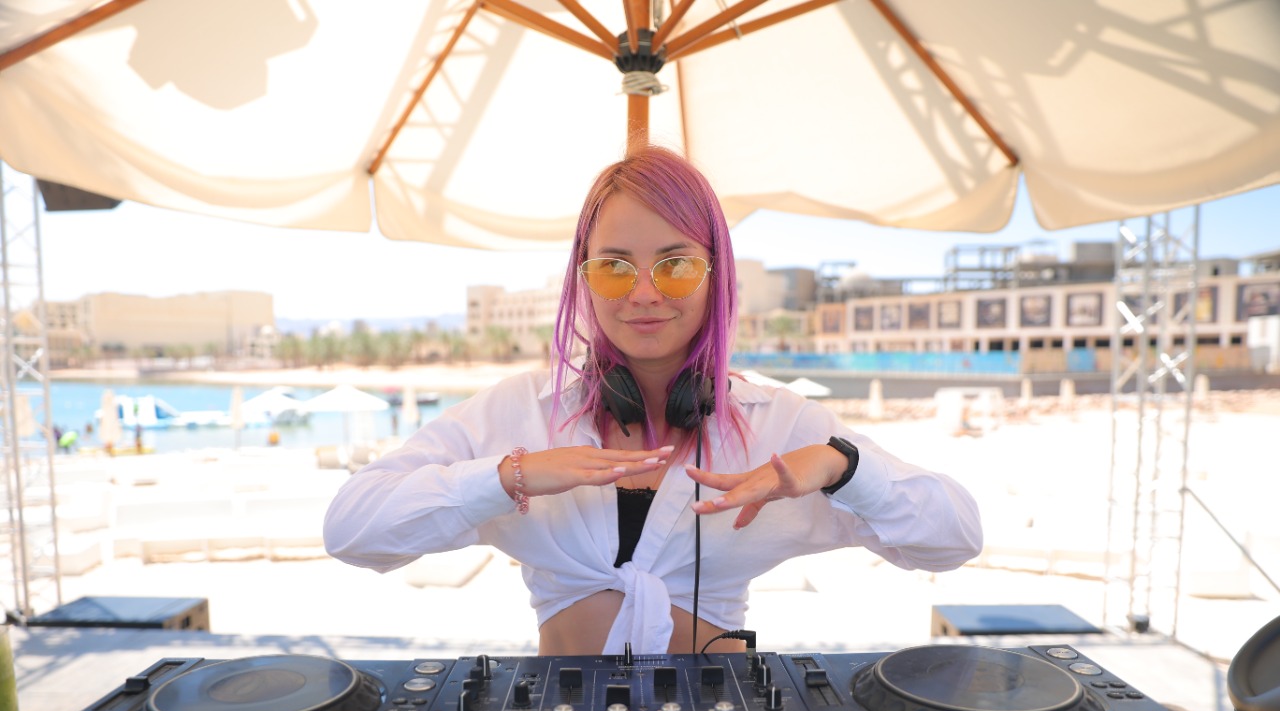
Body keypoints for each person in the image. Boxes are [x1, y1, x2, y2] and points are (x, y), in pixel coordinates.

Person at [324, 146, 982, 656]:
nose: (643, 293)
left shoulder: (785, 425)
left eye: (676, 264)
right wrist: (508, 476)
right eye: (614, 267)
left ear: (715, 274)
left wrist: (843, 468)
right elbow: (352, 530)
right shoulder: (516, 411)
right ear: (584, 278)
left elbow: (955, 539)